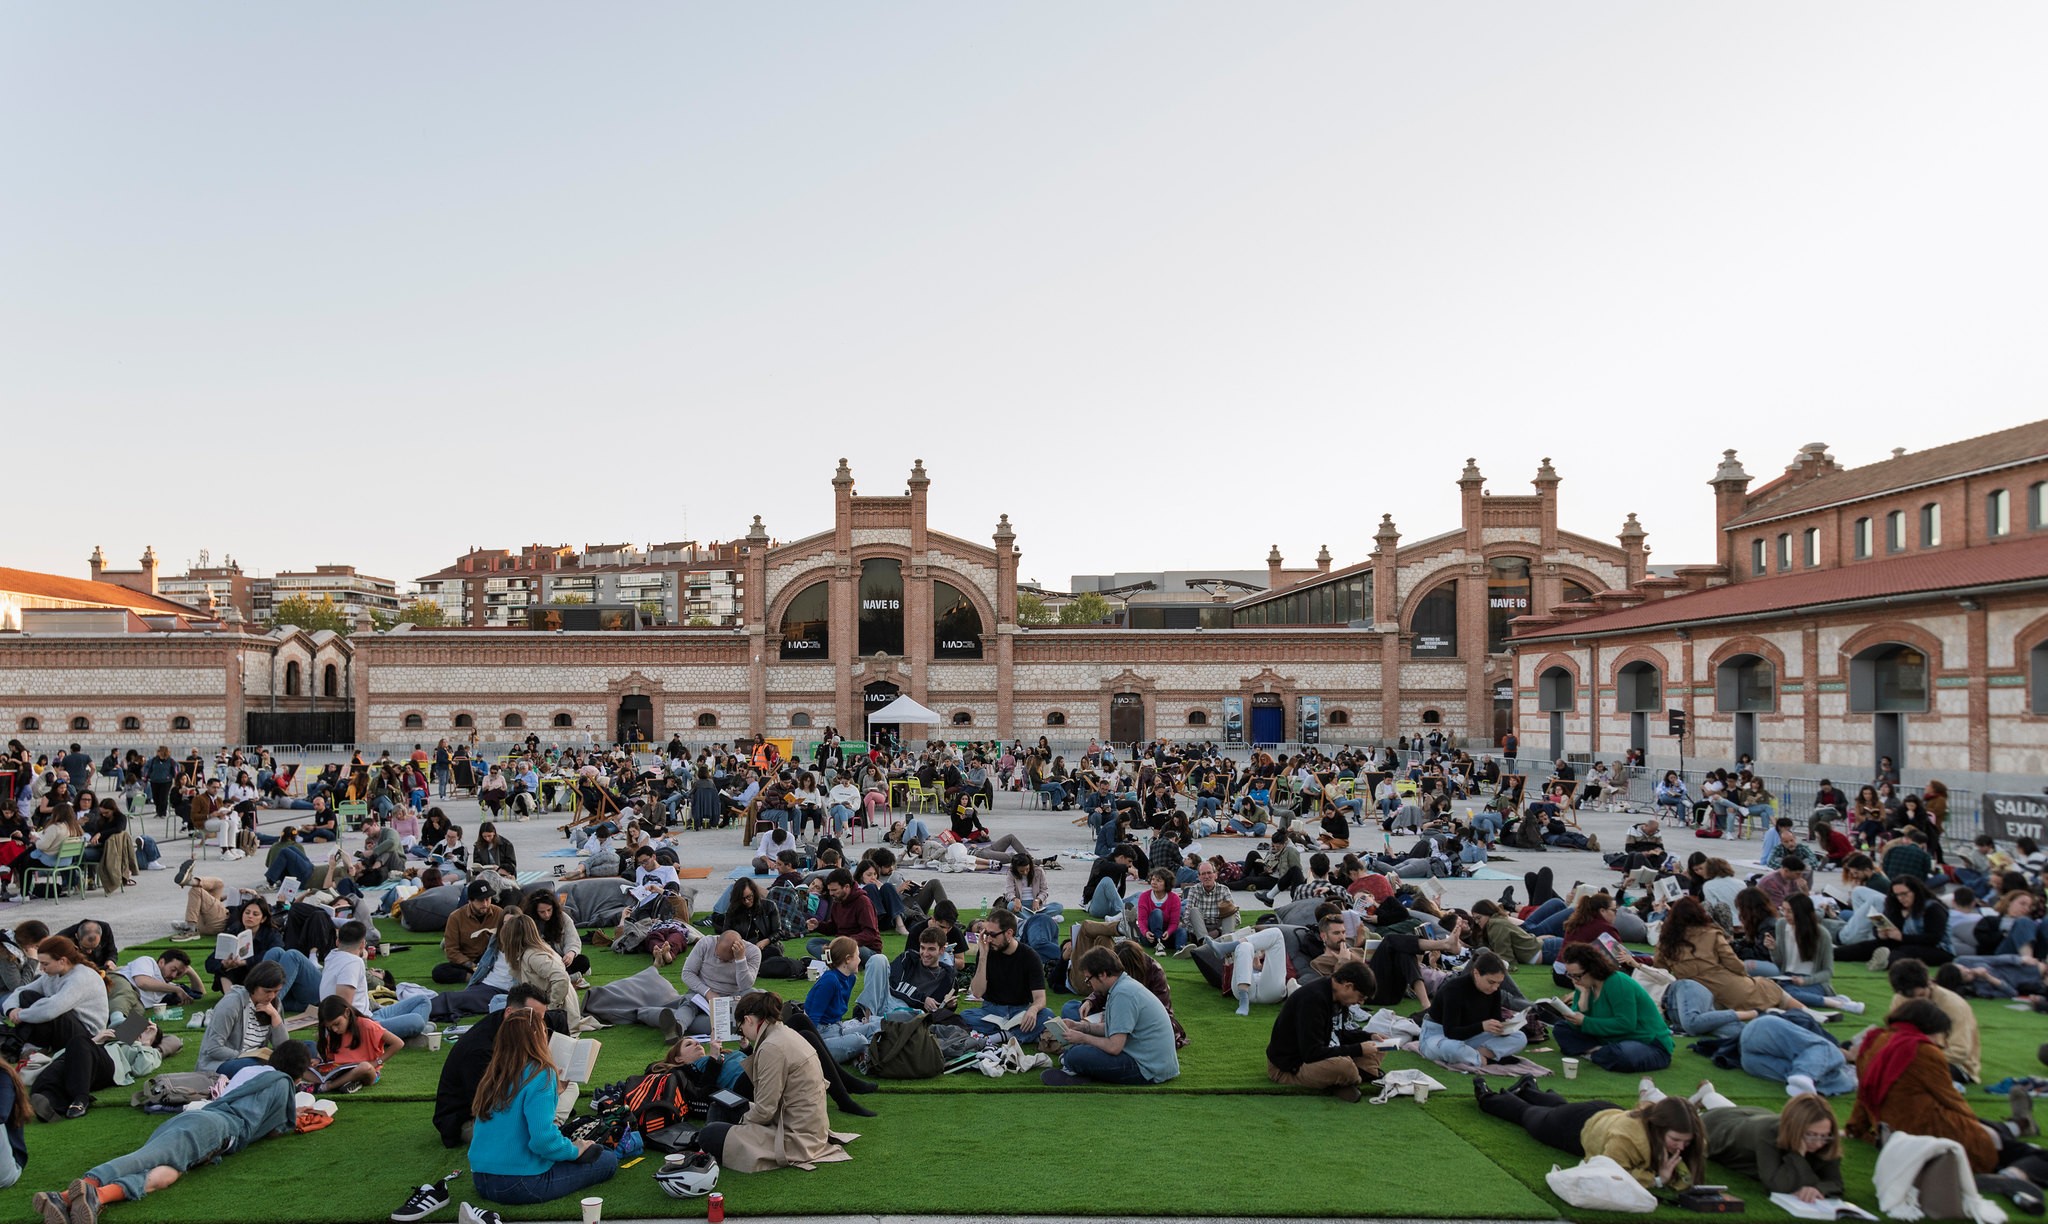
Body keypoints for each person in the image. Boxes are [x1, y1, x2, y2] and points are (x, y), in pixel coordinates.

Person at [29, 1046, 310, 1223]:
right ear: (298, 1074)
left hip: (200, 1118)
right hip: (217, 1127)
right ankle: (67, 1195)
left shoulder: (251, 1069)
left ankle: (98, 1197)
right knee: (147, 1157)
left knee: (167, 1171)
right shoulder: (283, 1084)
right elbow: (274, 1129)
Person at [1848, 999, 2046, 1179]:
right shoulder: (1923, 1050)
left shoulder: (1874, 1040)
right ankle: (2010, 1176)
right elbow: (1951, 1099)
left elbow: (1864, 1093)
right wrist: (1980, 1133)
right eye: (1941, 1035)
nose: (1941, 1042)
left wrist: (1855, 1128)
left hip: (1892, 1135)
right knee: (2033, 1154)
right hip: (1930, 1134)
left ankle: (2019, 1125)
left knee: (1984, 1125)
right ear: (1931, 1029)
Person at [463, 1000, 618, 1208]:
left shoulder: (494, 1073)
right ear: (537, 1037)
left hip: (481, 1179)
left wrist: (556, 1093)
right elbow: (542, 1141)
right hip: (520, 1183)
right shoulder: (541, 1073)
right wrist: (575, 1150)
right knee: (606, 1159)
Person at [693, 990, 851, 1172]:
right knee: (721, 1105)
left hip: (794, 1136)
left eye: (740, 1028)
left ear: (749, 1020)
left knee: (709, 1134)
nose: (742, 1032)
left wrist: (741, 1121)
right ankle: (707, 1149)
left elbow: (764, 1111)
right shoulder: (784, 1033)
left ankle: (705, 1149)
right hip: (801, 1126)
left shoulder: (771, 1047)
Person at [1476, 1078, 1704, 1193]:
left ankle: (1529, 1088)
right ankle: (1486, 1096)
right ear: (1658, 1127)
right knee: (1530, 1117)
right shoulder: (1628, 1139)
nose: (1681, 1147)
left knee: (1558, 1108)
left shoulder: (1683, 1135)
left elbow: (1689, 1170)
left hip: (1604, 1114)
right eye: (1676, 1140)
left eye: (1687, 1142)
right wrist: (1657, 1180)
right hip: (1577, 1125)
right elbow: (1610, 1176)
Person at [3, 936, 110, 1121]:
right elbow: (20, 991)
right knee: (29, 996)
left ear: (62, 961)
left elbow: (51, 1010)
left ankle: (17, 1046)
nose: (42, 969)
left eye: (45, 964)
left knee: (45, 1007)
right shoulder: (52, 975)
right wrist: (12, 1009)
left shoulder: (81, 977)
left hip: (87, 1037)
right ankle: (21, 1046)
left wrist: (20, 1015)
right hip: (67, 1031)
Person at [1040, 946, 1180, 1086]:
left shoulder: (1122, 994)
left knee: (1076, 1055)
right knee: (1078, 1050)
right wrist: (1081, 1027)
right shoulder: (1123, 986)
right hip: (1155, 1063)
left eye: (1089, 979)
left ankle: (1076, 1068)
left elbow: (1114, 1047)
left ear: (1102, 974)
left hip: (1148, 1069)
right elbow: (1113, 1029)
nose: (1089, 985)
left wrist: (1083, 1038)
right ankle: (1077, 1067)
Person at [1693, 1087, 1844, 1204]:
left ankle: (1708, 1094)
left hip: (1753, 1116)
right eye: (1811, 1135)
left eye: (1824, 1136)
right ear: (1795, 1129)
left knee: (1730, 1110)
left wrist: (1818, 1188)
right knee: (1684, 1118)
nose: (1818, 1143)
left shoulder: (1825, 1138)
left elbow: (1835, 1182)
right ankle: (1703, 1097)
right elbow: (1776, 1184)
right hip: (1717, 1130)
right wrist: (1797, 1154)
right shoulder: (1768, 1135)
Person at [1654, 896, 1797, 1013]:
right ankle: (1808, 1010)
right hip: (1725, 987)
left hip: (1694, 997)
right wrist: (1744, 974)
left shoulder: (1665, 941)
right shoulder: (1711, 934)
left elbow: (1660, 970)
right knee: (1770, 988)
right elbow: (1733, 963)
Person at [1265, 960, 1381, 1102]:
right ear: (1348, 986)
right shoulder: (1313, 1000)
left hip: (1321, 1054)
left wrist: (1369, 1036)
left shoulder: (1337, 997)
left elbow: (1339, 1034)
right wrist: (1358, 1049)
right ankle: (1356, 1076)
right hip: (1291, 1067)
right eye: (1361, 997)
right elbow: (1311, 1053)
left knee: (1378, 1045)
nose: (1361, 1003)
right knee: (1344, 1067)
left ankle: (1345, 1079)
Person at [1549, 943, 1673, 1072]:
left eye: (1577, 975)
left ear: (1592, 969)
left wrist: (1585, 1021)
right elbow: (1576, 1024)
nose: (1574, 980)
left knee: (1622, 1056)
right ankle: (1599, 1053)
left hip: (1646, 1041)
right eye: (1570, 975)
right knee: (1561, 1029)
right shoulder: (1583, 985)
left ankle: (1595, 1052)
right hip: (1609, 1038)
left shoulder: (1617, 982)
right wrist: (1584, 997)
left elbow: (1625, 1024)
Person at [319, 921, 435, 1040]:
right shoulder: (352, 962)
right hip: (363, 1025)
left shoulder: (332, 956)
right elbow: (342, 1006)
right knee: (416, 1020)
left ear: (338, 942)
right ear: (363, 944)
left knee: (422, 1000)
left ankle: (409, 1034)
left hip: (372, 1013)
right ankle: (406, 1035)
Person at [1420, 951, 1528, 1069]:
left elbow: (1495, 1020)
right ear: (1476, 973)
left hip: (1472, 1035)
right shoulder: (1453, 989)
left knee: (1520, 1037)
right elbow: (1451, 1032)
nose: (1495, 987)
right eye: (1491, 982)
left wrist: (1504, 1027)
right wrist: (1482, 1026)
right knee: (1452, 1048)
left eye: (1499, 983)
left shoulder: (1494, 990)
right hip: (1439, 1034)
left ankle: (1476, 1056)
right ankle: (1483, 1059)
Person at [1887, 957, 1981, 1083]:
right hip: (1913, 1053)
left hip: (1953, 1063)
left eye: (1921, 996)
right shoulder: (1900, 999)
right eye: (1911, 999)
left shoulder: (1954, 1005)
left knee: (1913, 1072)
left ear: (1929, 983)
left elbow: (1960, 1051)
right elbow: (1893, 1033)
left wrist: (1920, 1057)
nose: (1918, 1002)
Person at [961, 907, 1052, 1036]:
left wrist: (1033, 1009)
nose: (988, 939)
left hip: (1019, 1010)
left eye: (992, 935)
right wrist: (983, 956)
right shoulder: (987, 951)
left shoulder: (1030, 956)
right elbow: (977, 992)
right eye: (986, 934)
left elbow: (1040, 998)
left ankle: (1001, 1036)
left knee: (1046, 1015)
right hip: (991, 1010)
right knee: (965, 1016)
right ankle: (1015, 1034)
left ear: (1009, 933)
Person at [196, 960, 292, 1077]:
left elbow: (283, 1048)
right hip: (224, 1062)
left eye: (276, 991)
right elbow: (213, 1048)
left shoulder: (274, 1004)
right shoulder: (231, 1004)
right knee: (254, 1067)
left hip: (257, 1059)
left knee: (304, 1049)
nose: (271, 996)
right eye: (267, 991)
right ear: (254, 986)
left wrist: (275, 1016)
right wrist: (245, 1055)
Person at [672, 930, 762, 1041]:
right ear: (717, 941)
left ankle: (768, 1018)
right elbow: (687, 973)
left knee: (757, 995)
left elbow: (745, 986)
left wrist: (740, 959)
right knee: (689, 1003)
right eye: (718, 957)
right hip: (702, 994)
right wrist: (708, 992)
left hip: (733, 998)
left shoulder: (753, 952)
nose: (722, 961)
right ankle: (677, 1027)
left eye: (728, 960)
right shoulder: (705, 943)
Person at [802, 937, 881, 1061]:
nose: (860, 960)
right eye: (858, 956)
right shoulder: (829, 981)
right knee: (859, 1040)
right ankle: (865, 1053)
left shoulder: (850, 978)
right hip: (820, 1035)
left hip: (837, 1028)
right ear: (848, 959)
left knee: (876, 1026)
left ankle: (864, 1053)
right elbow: (813, 1017)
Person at [310, 995, 403, 1094]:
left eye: (337, 1024)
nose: (334, 1029)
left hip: (367, 1072)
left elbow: (398, 1043)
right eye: (330, 1027)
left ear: (347, 1013)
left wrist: (377, 1063)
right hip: (340, 1070)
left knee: (364, 1067)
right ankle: (348, 1083)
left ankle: (328, 1086)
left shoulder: (367, 1025)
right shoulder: (333, 1032)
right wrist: (318, 1060)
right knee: (301, 1065)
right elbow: (328, 1056)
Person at [804, 868, 882, 959]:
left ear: (846, 887)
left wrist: (846, 942)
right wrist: (818, 926)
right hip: (841, 945)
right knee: (812, 943)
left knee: (850, 950)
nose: (831, 893)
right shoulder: (837, 901)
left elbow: (870, 934)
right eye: (829, 890)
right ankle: (836, 959)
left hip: (864, 948)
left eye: (834, 890)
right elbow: (834, 927)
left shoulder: (863, 902)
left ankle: (833, 959)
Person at [436, 881, 503, 985]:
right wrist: (472, 966)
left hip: (490, 959)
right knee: (439, 971)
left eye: (488, 899)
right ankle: (474, 977)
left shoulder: (499, 913)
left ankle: (483, 976)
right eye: (480, 900)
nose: (485, 904)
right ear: (470, 900)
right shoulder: (455, 917)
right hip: (467, 962)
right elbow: (451, 950)